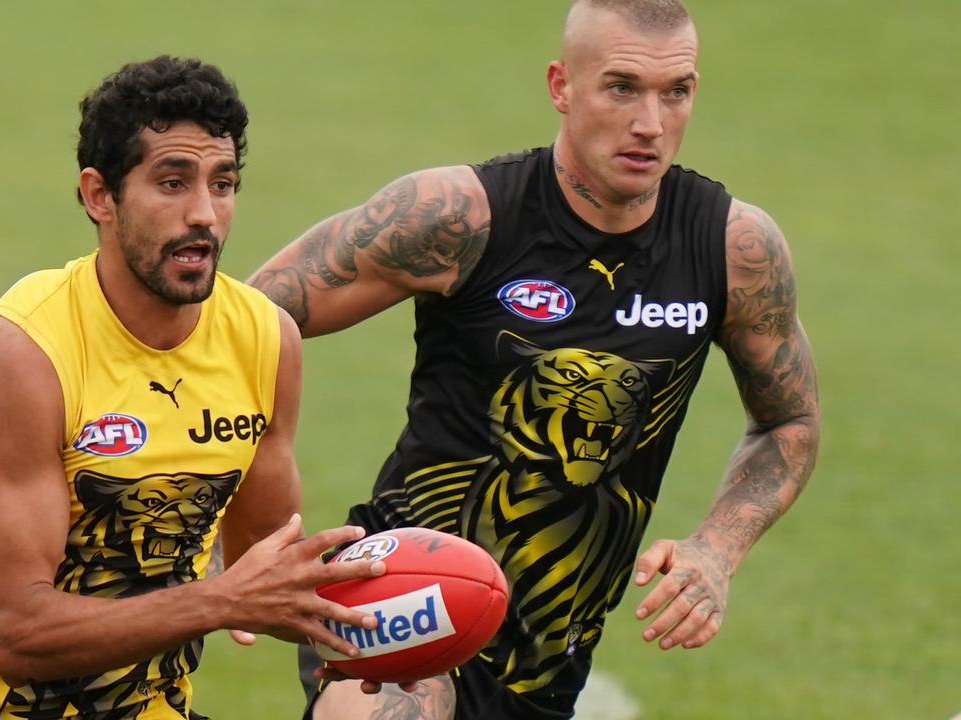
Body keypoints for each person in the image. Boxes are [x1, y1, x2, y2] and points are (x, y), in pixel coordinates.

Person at [249, 1, 821, 718]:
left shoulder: (733, 250)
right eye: (621, 87)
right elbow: (242, 327)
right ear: (562, 86)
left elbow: (789, 421)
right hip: (404, 599)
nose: (650, 122)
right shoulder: (458, 216)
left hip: (547, 663)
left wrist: (715, 549)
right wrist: (239, 516)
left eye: (675, 91)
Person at [0, 56, 388, 720]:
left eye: (223, 184)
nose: (204, 215)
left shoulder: (265, 340)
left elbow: (264, 574)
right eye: (172, 182)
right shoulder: (27, 351)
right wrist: (222, 600)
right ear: (99, 196)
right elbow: (19, 634)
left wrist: (395, 615)